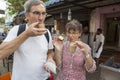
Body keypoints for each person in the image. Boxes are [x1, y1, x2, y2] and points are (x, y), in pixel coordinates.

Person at [0, 0, 55, 80]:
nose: (41, 18)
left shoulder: (46, 33)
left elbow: (50, 52)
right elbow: (1, 53)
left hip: (44, 77)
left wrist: (50, 59)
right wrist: (26, 34)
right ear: (27, 15)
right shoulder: (17, 30)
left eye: (43, 13)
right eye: (36, 13)